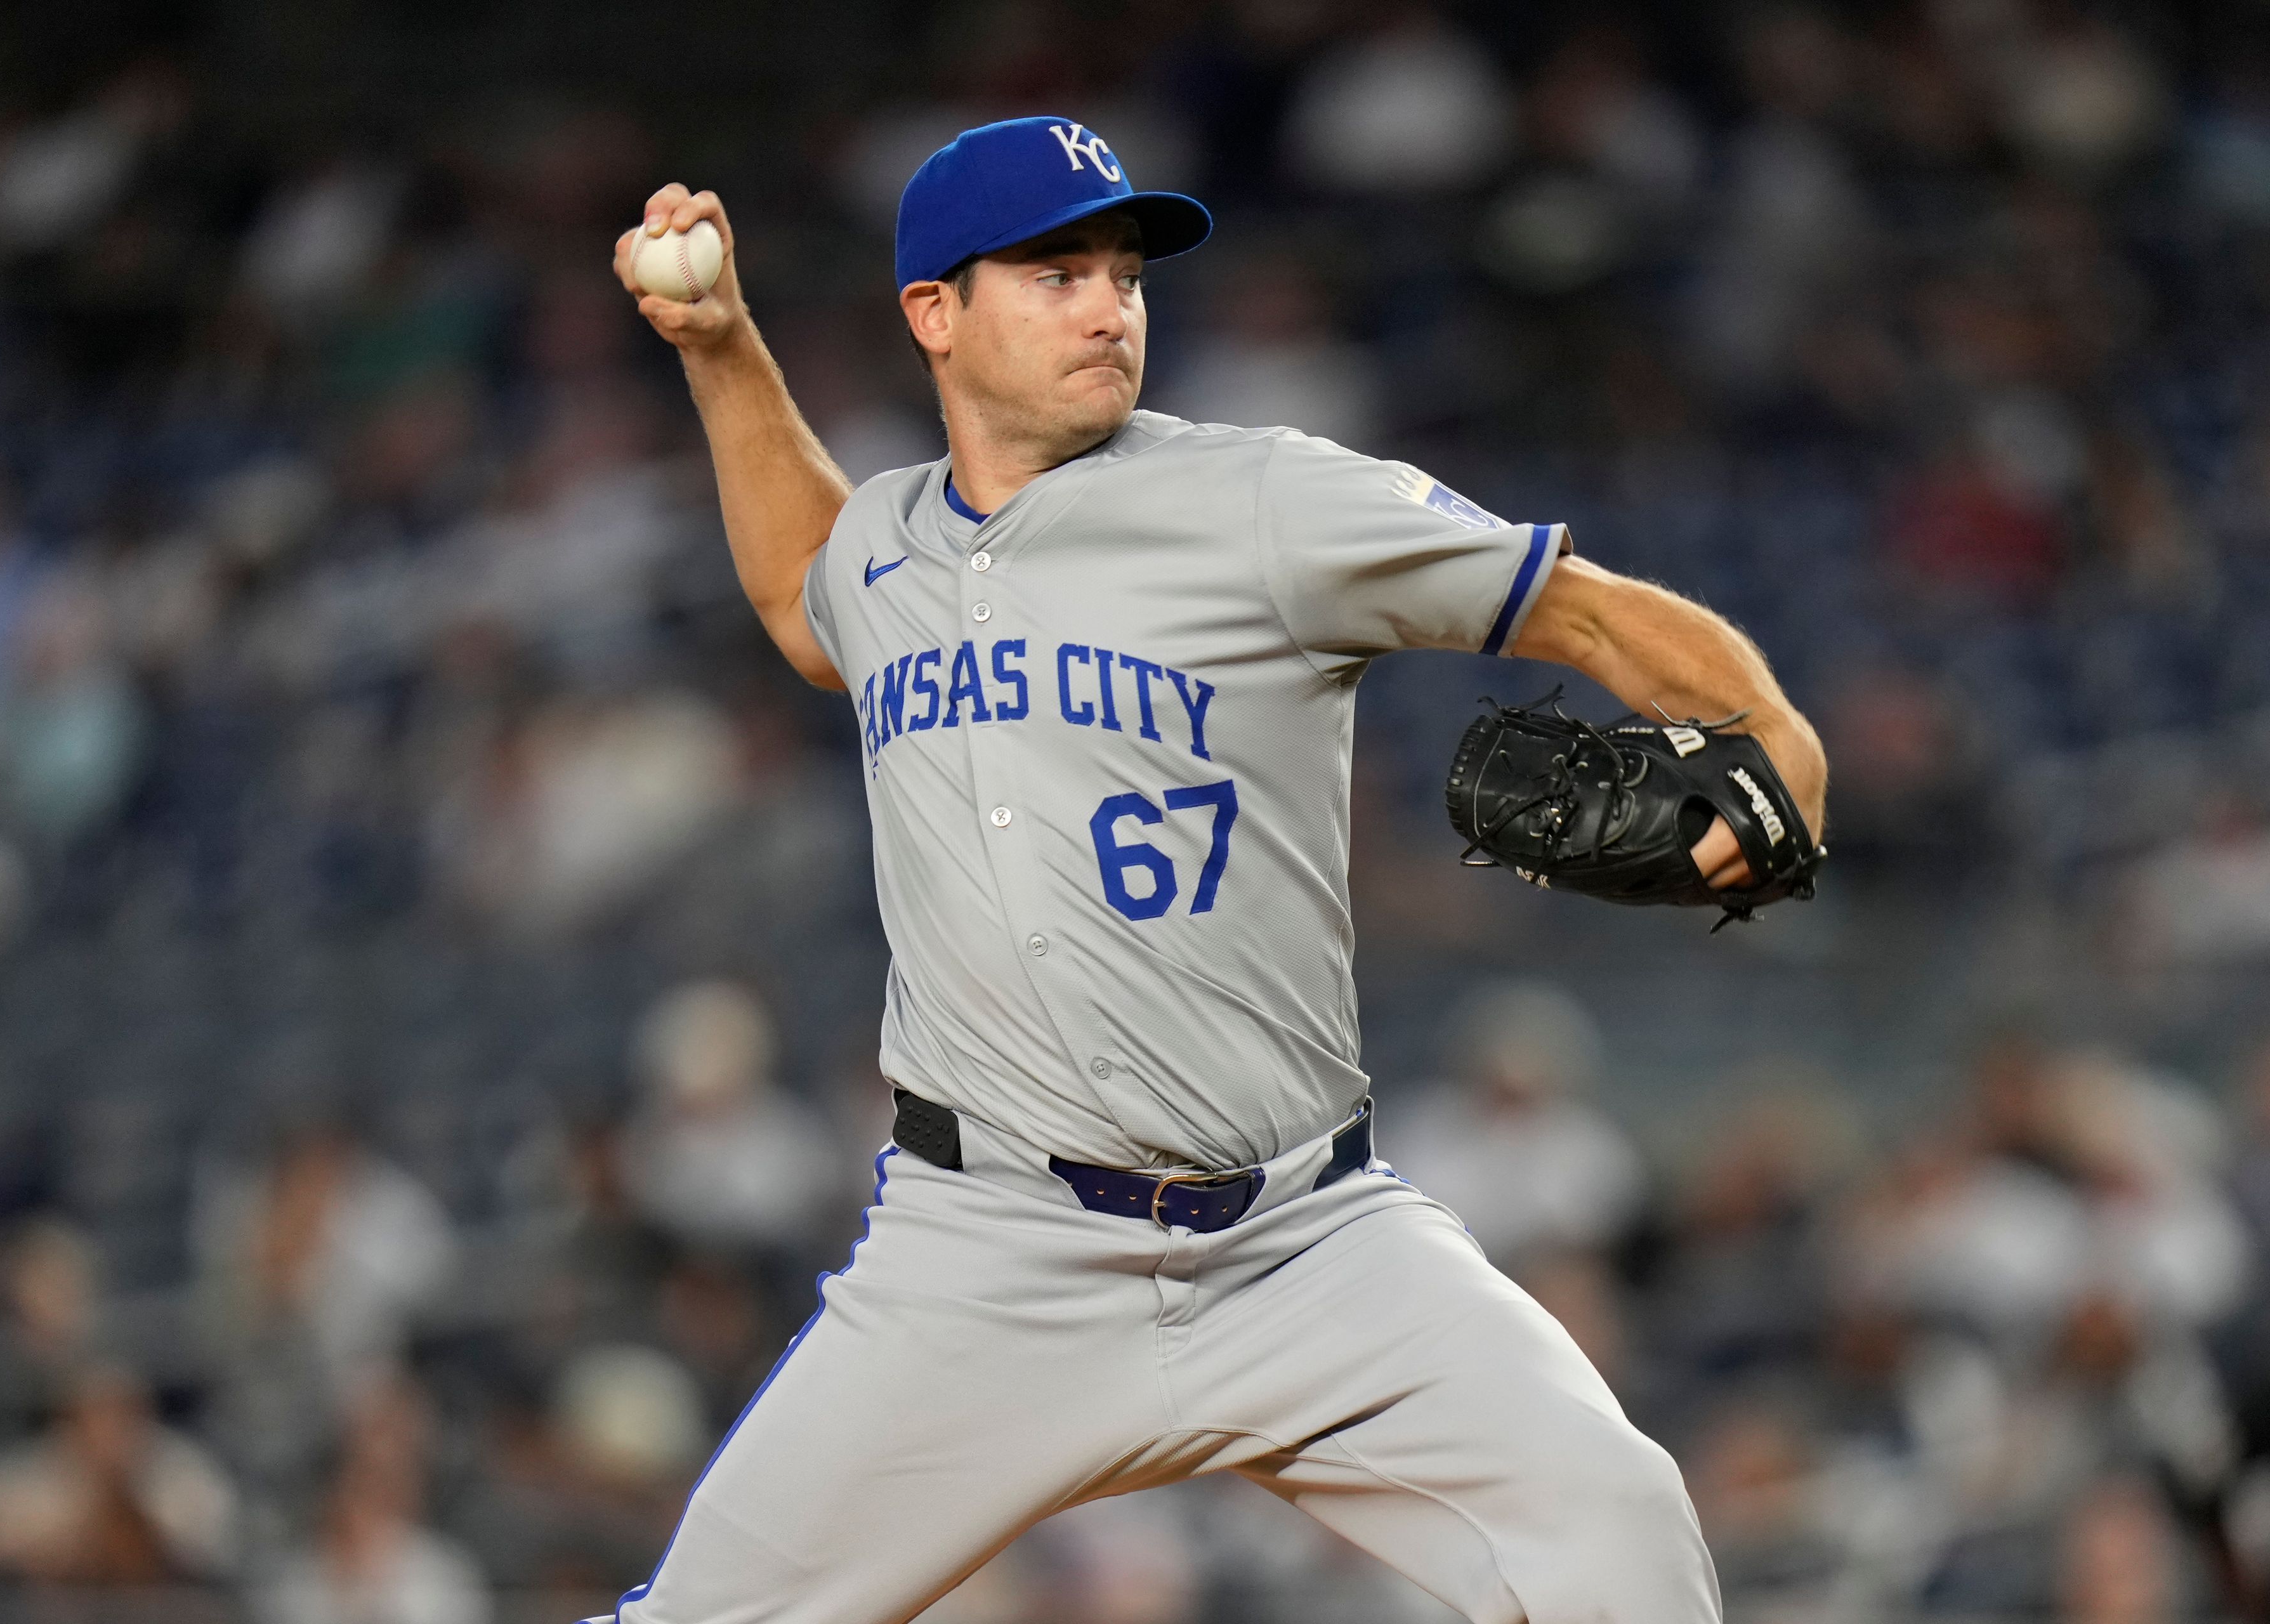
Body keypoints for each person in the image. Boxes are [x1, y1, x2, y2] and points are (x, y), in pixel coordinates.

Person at [593, 115, 1827, 1624]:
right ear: (935, 311)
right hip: (990, 1254)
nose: (1111, 306)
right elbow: (802, 589)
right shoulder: (891, 547)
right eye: (1056, 273)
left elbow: (1575, 606)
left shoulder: (1265, 499)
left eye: (1125, 273)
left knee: (1621, 1530)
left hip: (1305, 1240)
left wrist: (1765, 726)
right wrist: (720, 347)